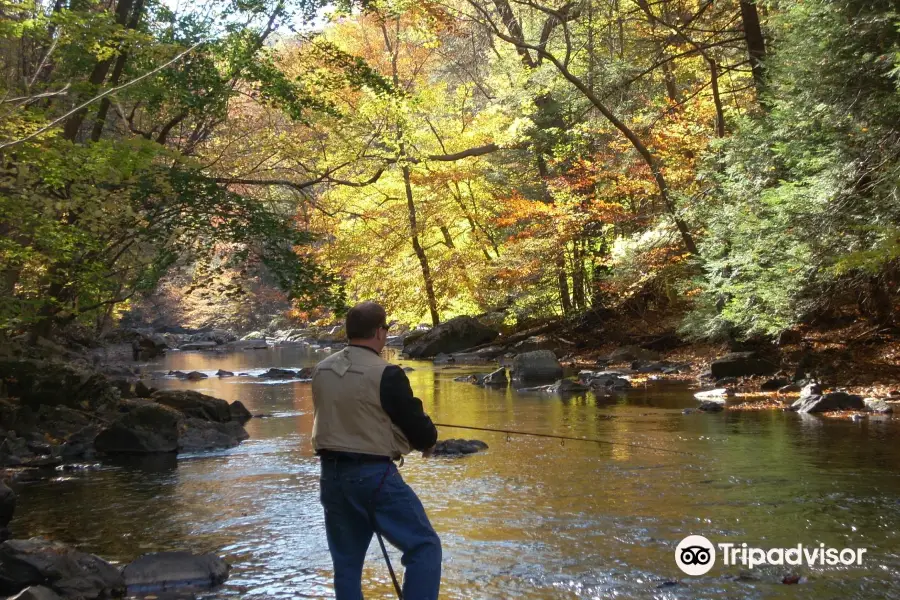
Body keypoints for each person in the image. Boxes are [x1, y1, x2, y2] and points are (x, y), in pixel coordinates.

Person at [312, 301, 441, 600]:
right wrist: (428, 442)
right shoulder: (387, 374)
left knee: (346, 563)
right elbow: (416, 425)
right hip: (373, 477)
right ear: (380, 332)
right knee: (424, 546)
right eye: (385, 328)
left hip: (331, 477)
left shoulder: (321, 370)